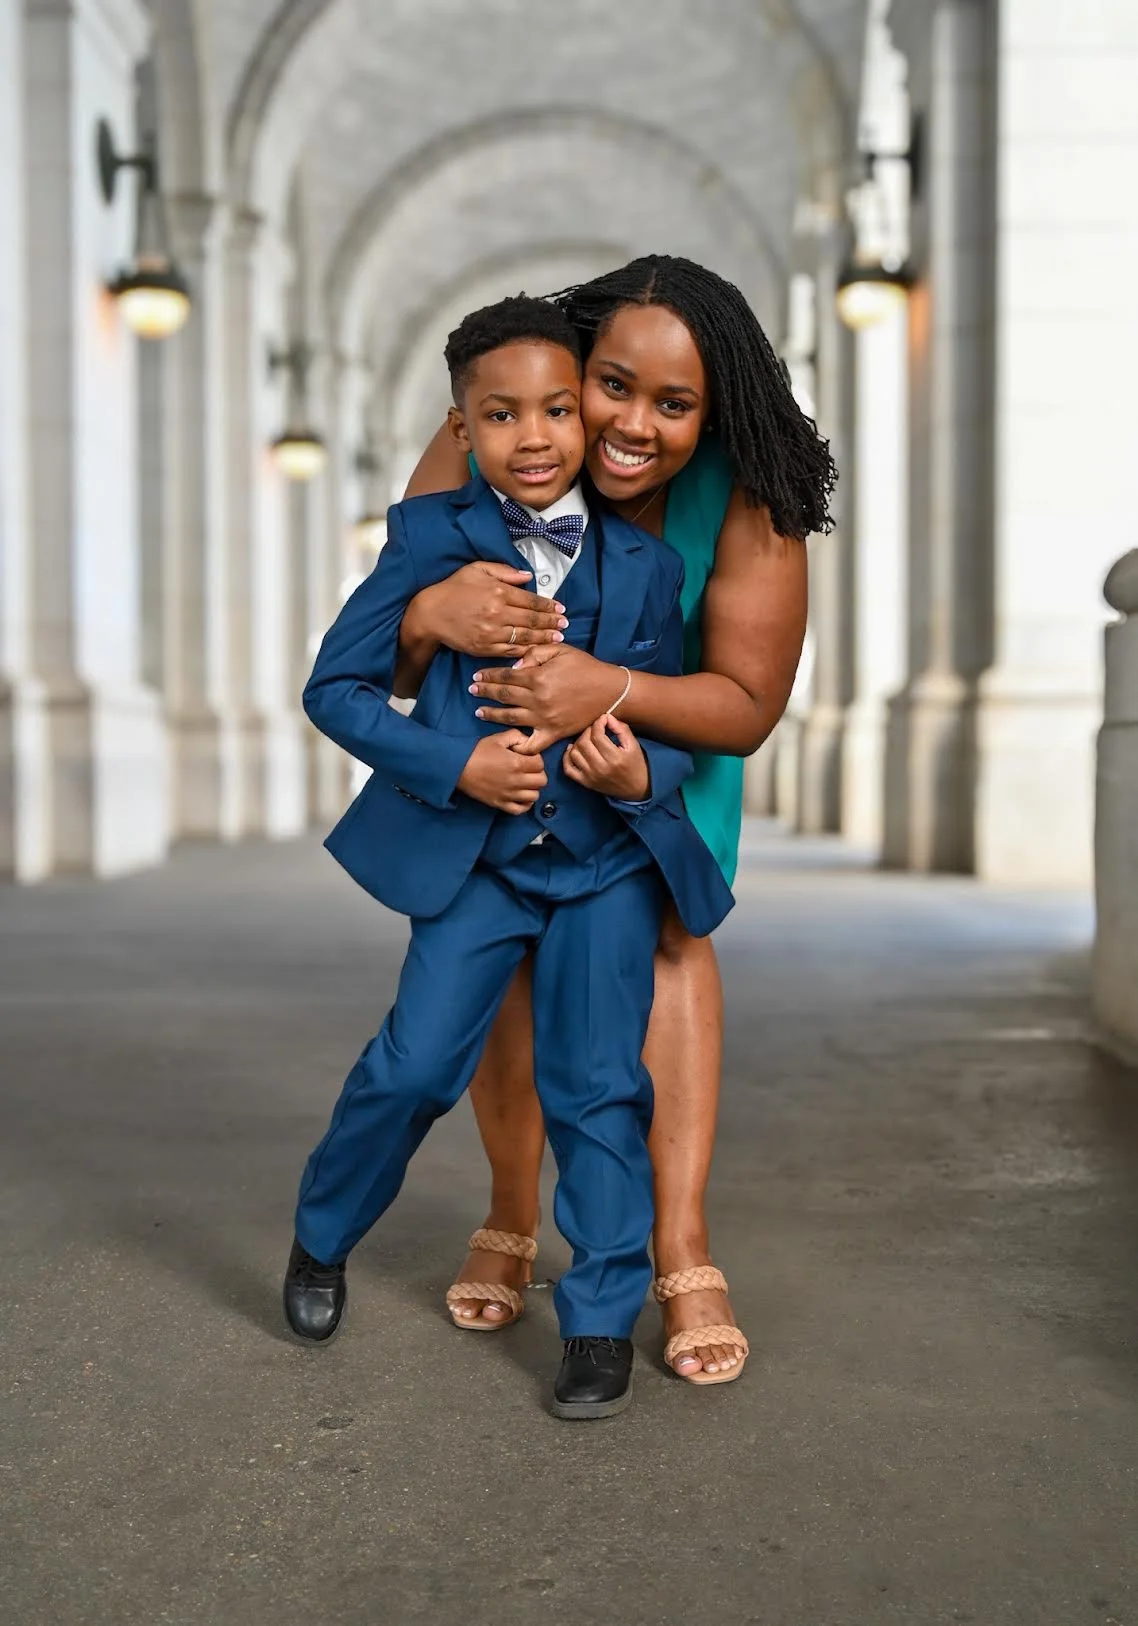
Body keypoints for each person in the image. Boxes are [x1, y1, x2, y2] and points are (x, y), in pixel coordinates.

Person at [283, 295, 734, 1421]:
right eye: (499, 416)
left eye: (552, 411)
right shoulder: (428, 541)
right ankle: (321, 1239)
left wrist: (642, 778)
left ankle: (596, 1324)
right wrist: (453, 765)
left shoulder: (645, 566)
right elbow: (334, 690)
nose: (531, 438)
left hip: (603, 864)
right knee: (413, 1065)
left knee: (596, 1087)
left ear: (583, 418)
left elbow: (673, 728)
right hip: (475, 862)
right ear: (462, 427)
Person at [397, 255, 836, 1384]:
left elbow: (744, 708)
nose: (633, 425)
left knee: (666, 941)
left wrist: (613, 692)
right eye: (613, 386)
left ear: (714, 409)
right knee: (504, 955)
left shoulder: (751, 496)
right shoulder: (495, 428)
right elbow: (388, 642)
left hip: (661, 749)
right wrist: (432, 610)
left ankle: (679, 1246)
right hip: (498, 748)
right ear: (573, 369)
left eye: (674, 404)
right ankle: (509, 1211)